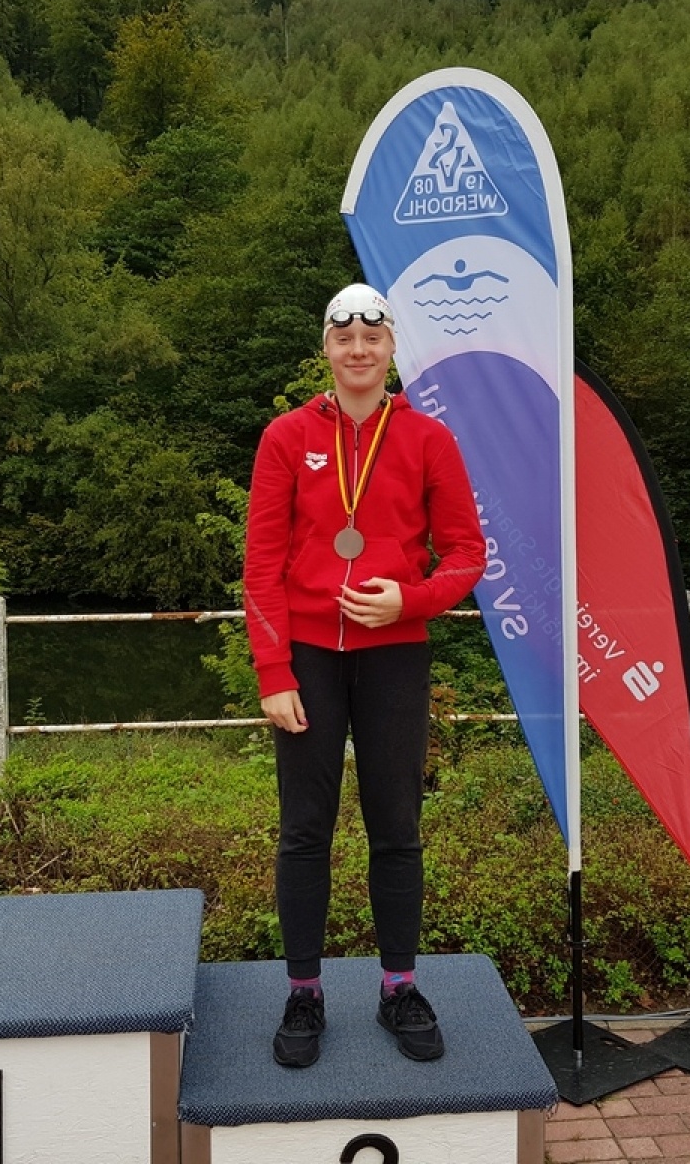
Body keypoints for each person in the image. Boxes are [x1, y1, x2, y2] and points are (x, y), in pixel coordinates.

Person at [243, 282, 487, 1068]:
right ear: (326, 347)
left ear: (391, 348)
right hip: (309, 658)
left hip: (394, 654)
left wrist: (408, 601)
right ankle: (305, 994)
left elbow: (467, 555)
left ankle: (398, 989)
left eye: (371, 337)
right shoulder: (286, 437)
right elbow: (262, 564)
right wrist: (273, 669)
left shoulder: (428, 440)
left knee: (397, 828)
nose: (357, 349)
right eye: (343, 336)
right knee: (305, 831)